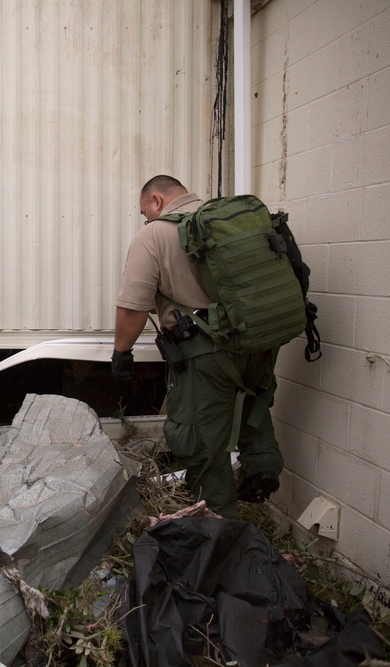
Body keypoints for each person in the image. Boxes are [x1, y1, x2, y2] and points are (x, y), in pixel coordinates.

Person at [112, 175, 283, 517]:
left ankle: (218, 523)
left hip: (206, 352)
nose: (147, 218)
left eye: (146, 211)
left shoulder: (155, 234)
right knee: (252, 405)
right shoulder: (227, 223)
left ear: (157, 201)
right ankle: (263, 463)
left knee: (199, 437)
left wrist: (122, 352)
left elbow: (133, 307)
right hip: (260, 342)